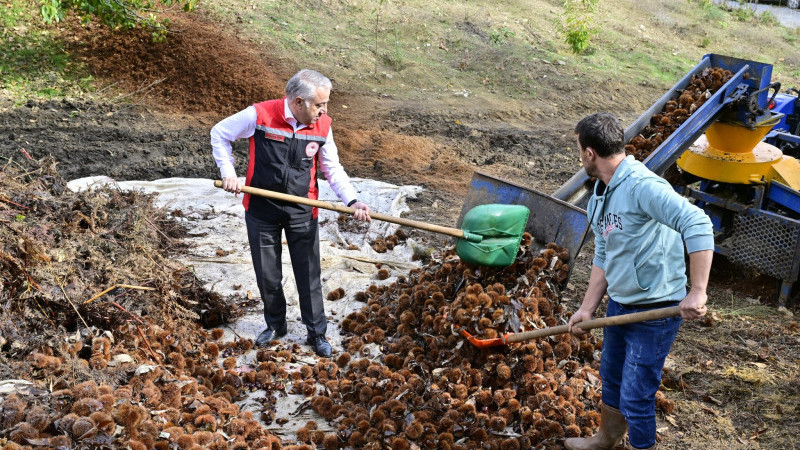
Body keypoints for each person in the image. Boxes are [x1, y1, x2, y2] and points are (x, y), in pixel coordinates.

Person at [565, 113, 713, 450]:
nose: (579, 157)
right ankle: (606, 439)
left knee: (636, 396)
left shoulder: (642, 186)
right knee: (612, 380)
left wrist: (698, 291)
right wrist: (587, 309)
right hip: (621, 303)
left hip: (656, 310)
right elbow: (604, 253)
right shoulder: (600, 195)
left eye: (578, 150)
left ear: (590, 154)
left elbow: (698, 223)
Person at [210, 69, 371, 357]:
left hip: (302, 209)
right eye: (319, 105)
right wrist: (229, 173)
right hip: (261, 208)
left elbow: (331, 169)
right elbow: (219, 133)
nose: (324, 111)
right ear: (298, 102)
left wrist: (352, 201)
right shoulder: (259, 116)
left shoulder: (322, 127)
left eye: (326, 104)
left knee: (308, 274)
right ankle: (275, 325)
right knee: (268, 274)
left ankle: (316, 332)